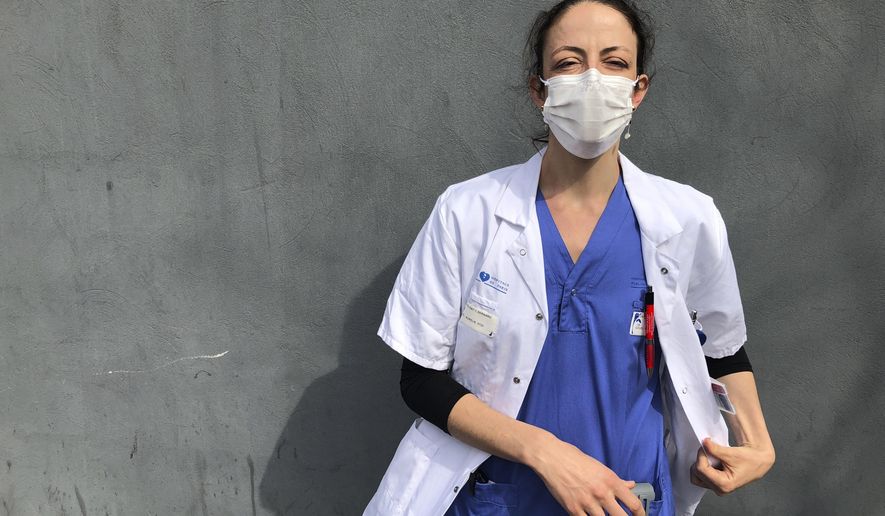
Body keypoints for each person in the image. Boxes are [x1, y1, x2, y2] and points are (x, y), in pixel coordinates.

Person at [365, 1, 775, 515]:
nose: (591, 80)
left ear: (638, 90)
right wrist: (548, 455)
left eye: (614, 63)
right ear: (540, 89)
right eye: (568, 63)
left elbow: (721, 350)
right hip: (499, 500)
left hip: (631, 501)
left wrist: (756, 442)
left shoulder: (688, 220)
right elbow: (421, 379)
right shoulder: (467, 212)